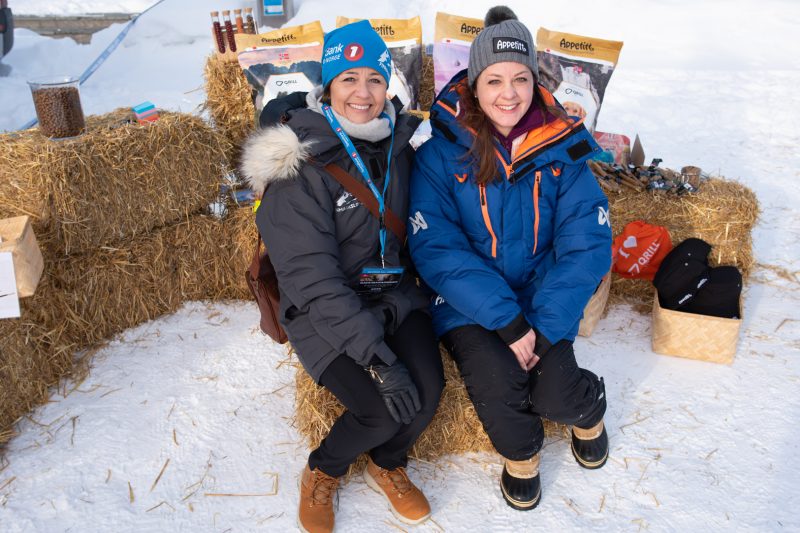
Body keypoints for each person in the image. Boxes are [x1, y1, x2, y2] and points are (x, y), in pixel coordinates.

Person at [241, 20, 444, 533]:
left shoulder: (400, 144)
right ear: (327, 88)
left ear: (388, 85)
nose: (363, 92)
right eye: (348, 78)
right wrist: (377, 357)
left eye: (374, 79)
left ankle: (387, 462)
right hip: (323, 311)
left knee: (425, 396)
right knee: (379, 410)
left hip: (392, 294)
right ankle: (323, 470)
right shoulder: (297, 167)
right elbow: (312, 281)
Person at [408, 6, 612, 511]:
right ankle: (522, 457)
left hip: (543, 297)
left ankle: (589, 411)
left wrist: (545, 321)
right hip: (469, 305)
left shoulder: (561, 150)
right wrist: (506, 320)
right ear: (473, 85)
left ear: (536, 82)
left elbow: (587, 243)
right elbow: (436, 246)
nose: (509, 93)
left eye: (521, 78)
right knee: (499, 391)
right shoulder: (439, 153)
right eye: (494, 79)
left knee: (555, 395)